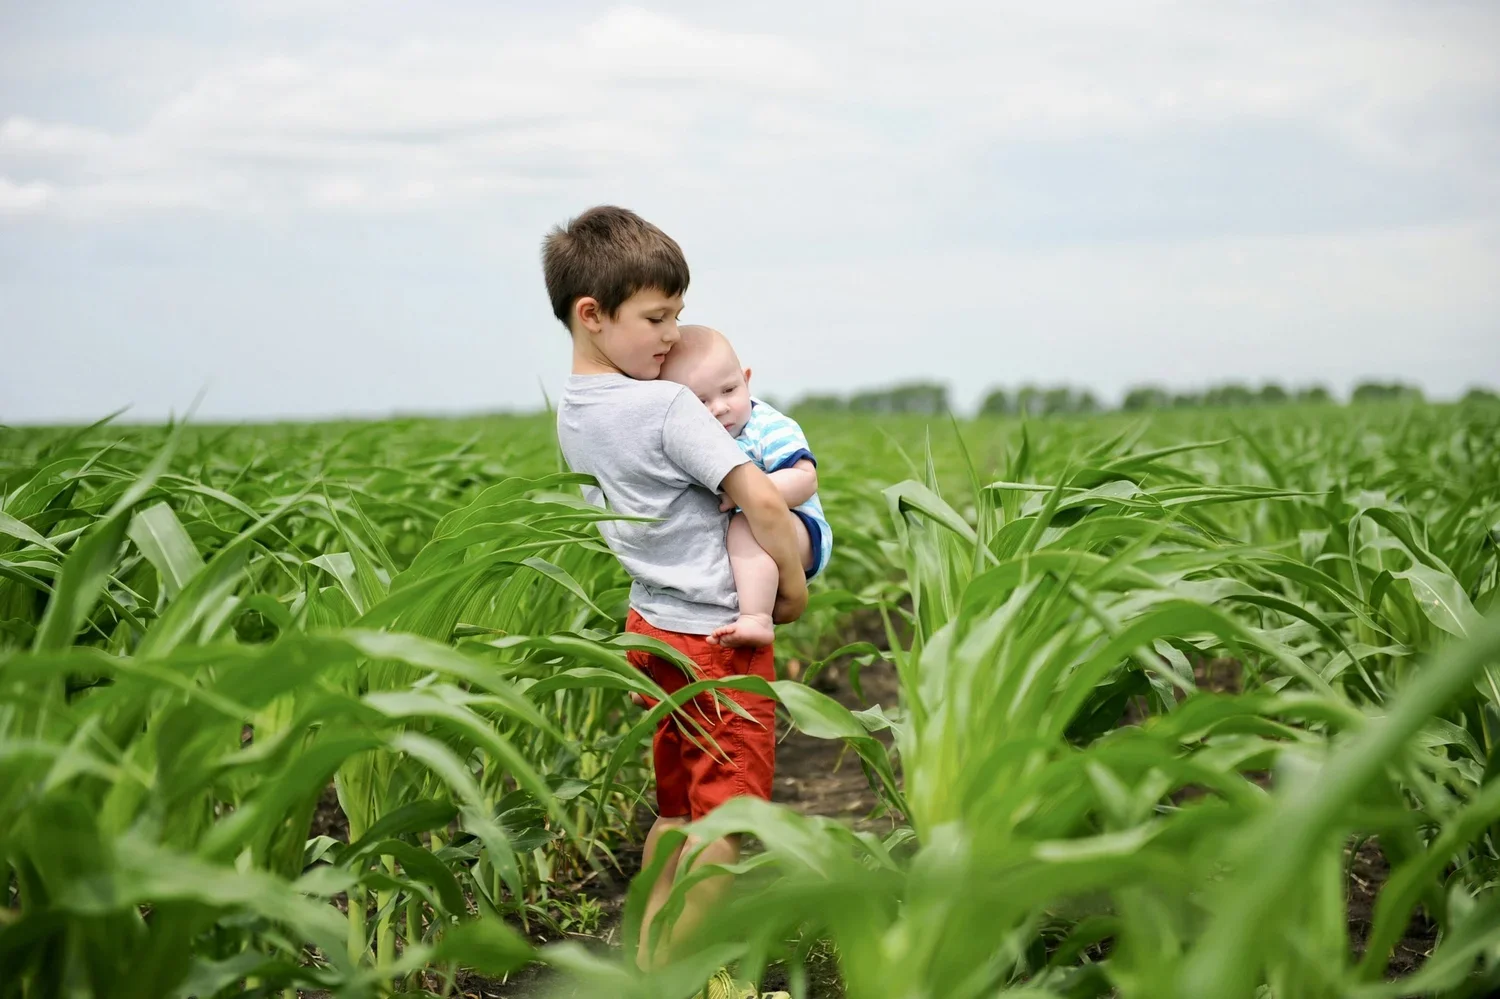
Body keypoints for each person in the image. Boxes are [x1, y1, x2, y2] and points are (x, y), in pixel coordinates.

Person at [545, 205, 806, 992]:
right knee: (725, 820)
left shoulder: (574, 410)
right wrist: (792, 586)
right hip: (719, 638)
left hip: (653, 630)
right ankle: (677, 979)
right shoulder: (666, 407)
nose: (673, 335)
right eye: (657, 318)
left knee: (677, 810)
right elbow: (760, 499)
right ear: (592, 315)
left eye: (678, 315)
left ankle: (646, 959)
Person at [658, 325, 832, 647]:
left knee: (742, 525)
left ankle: (757, 619)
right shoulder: (693, 441)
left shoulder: (766, 426)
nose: (719, 407)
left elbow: (805, 479)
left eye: (729, 390)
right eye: (700, 401)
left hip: (801, 530)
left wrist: (747, 495)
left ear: (746, 380)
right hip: (752, 543)